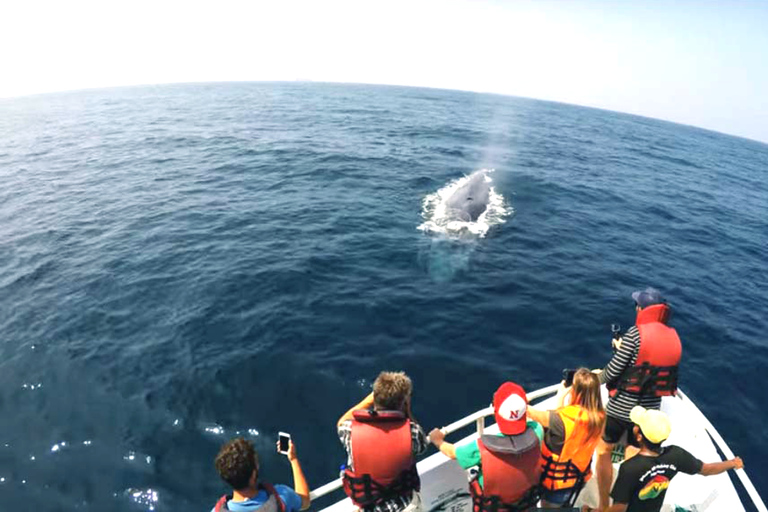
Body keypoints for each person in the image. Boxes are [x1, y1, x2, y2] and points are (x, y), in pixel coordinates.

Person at [595, 288, 682, 511]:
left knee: (604, 450)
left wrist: (594, 378)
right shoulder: (673, 337)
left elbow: (612, 373)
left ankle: (604, 504)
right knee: (632, 458)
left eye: (638, 305)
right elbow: (649, 364)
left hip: (620, 409)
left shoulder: (635, 335)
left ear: (642, 309)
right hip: (648, 416)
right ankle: (621, 506)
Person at [583, 407, 743, 512]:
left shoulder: (629, 468)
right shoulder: (676, 455)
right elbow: (707, 470)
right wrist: (732, 463)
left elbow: (619, 508)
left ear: (638, 435)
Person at [429, 382, 544, 512]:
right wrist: (520, 409)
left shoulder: (481, 448)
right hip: (526, 505)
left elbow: (452, 452)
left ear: (496, 414)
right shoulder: (537, 431)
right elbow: (531, 422)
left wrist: (438, 441)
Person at [338, 371, 428, 512]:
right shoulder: (413, 432)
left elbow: (341, 422)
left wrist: (369, 400)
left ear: (375, 398)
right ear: (404, 403)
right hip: (406, 507)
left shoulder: (350, 431)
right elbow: (422, 445)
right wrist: (407, 411)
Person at [527, 368, 605, 508]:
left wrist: (525, 399)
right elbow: (567, 424)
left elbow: (526, 411)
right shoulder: (599, 418)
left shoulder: (558, 420)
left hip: (554, 484)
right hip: (576, 481)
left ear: (576, 392)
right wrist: (561, 398)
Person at [211, 437, 310, 512]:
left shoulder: (217, 510)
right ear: (253, 474)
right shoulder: (282, 496)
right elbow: (305, 501)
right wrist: (294, 459)